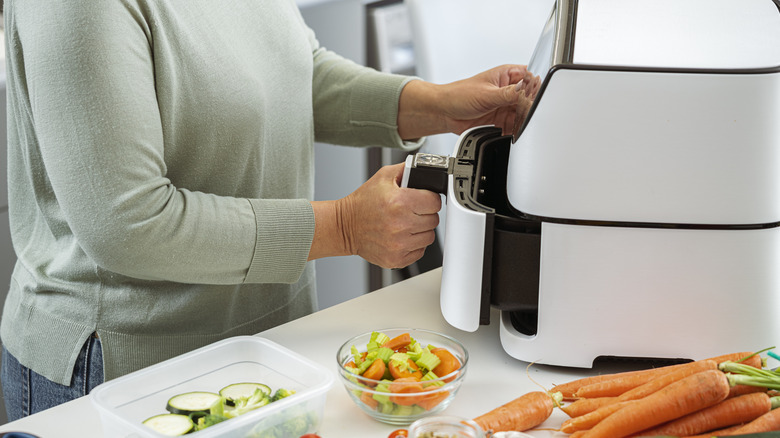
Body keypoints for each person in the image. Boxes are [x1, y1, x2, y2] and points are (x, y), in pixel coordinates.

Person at [0, 0, 536, 421]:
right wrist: (344, 225)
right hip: (127, 365)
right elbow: (127, 223)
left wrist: (437, 103)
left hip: (270, 337)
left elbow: (298, 72)